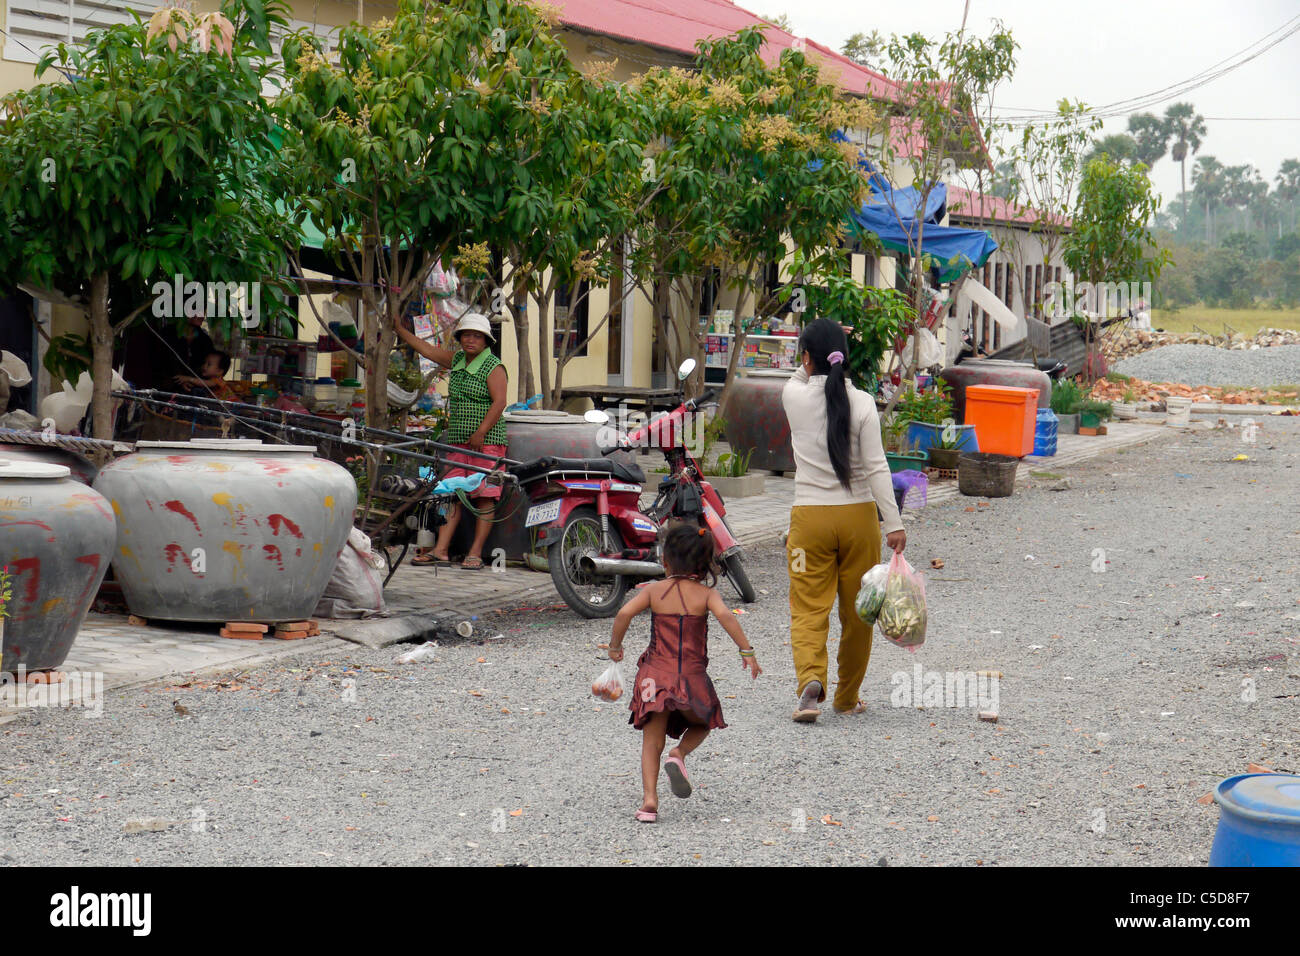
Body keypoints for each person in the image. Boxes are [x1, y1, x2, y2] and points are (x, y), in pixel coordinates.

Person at [781, 317, 906, 723]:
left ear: (805, 358)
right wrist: (894, 524)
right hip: (859, 520)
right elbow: (877, 468)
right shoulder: (865, 403)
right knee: (858, 612)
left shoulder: (792, 396)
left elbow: (803, 374)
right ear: (845, 360)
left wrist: (822, 348)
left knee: (808, 608)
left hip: (809, 520)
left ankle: (810, 684)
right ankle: (847, 697)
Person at [608, 523, 761, 823]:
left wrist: (615, 647)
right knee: (704, 721)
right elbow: (727, 616)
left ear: (665, 560)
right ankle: (679, 754)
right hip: (691, 676)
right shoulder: (705, 596)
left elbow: (624, 613)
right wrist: (747, 652)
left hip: (653, 675)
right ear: (705, 564)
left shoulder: (654, 591)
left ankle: (649, 801)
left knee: (651, 740)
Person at [395, 312, 508, 570]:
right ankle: (441, 550)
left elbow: (500, 402)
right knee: (451, 494)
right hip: (458, 440)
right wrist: (400, 329)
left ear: (485, 341)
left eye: (476, 336)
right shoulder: (457, 360)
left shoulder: (493, 366)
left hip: (487, 440)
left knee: (484, 496)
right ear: (459, 339)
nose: (470, 340)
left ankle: (475, 553)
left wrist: (480, 432)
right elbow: (427, 350)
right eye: (466, 335)